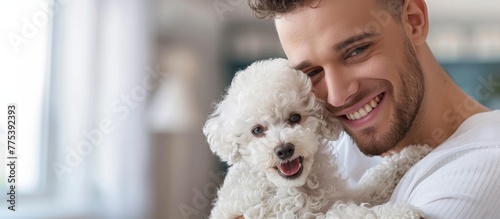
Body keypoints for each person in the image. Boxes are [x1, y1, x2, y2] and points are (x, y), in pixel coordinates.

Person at [238, 0, 500, 218]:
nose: (338, 97)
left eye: (356, 51)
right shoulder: (326, 146)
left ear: (414, 20)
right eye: (312, 72)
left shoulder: (482, 168)